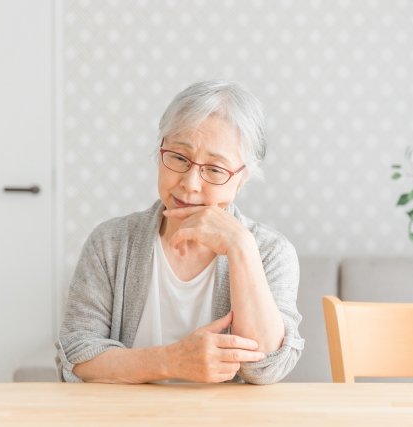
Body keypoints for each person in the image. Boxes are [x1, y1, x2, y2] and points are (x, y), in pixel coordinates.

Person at [55, 80, 303, 384]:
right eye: (179, 158)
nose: (190, 183)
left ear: (242, 179)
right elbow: (76, 358)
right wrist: (170, 362)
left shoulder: (270, 252)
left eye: (214, 169)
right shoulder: (109, 243)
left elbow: (266, 369)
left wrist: (241, 248)